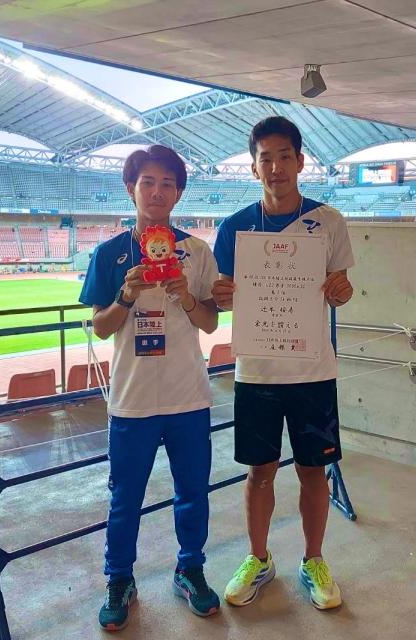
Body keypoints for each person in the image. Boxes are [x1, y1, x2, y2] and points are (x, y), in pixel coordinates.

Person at [212, 116, 354, 610]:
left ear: (300, 161)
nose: (276, 167)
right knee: (260, 473)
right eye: (265, 159)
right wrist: (221, 296)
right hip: (257, 373)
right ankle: (258, 558)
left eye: (284, 157)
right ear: (254, 168)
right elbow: (222, 297)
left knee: (314, 472)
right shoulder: (234, 228)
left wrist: (342, 290)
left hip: (313, 371)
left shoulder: (329, 221)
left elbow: (340, 290)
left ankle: (314, 560)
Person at [79, 145, 220, 632]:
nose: (157, 192)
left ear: (178, 194)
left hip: (188, 397)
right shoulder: (110, 253)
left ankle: (190, 568)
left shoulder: (197, 252)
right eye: (148, 182)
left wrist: (186, 297)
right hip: (132, 401)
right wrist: (126, 295)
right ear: (131, 189)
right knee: (125, 499)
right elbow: (100, 327)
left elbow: (210, 322)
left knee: (192, 492)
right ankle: (119, 578)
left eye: (167, 184)